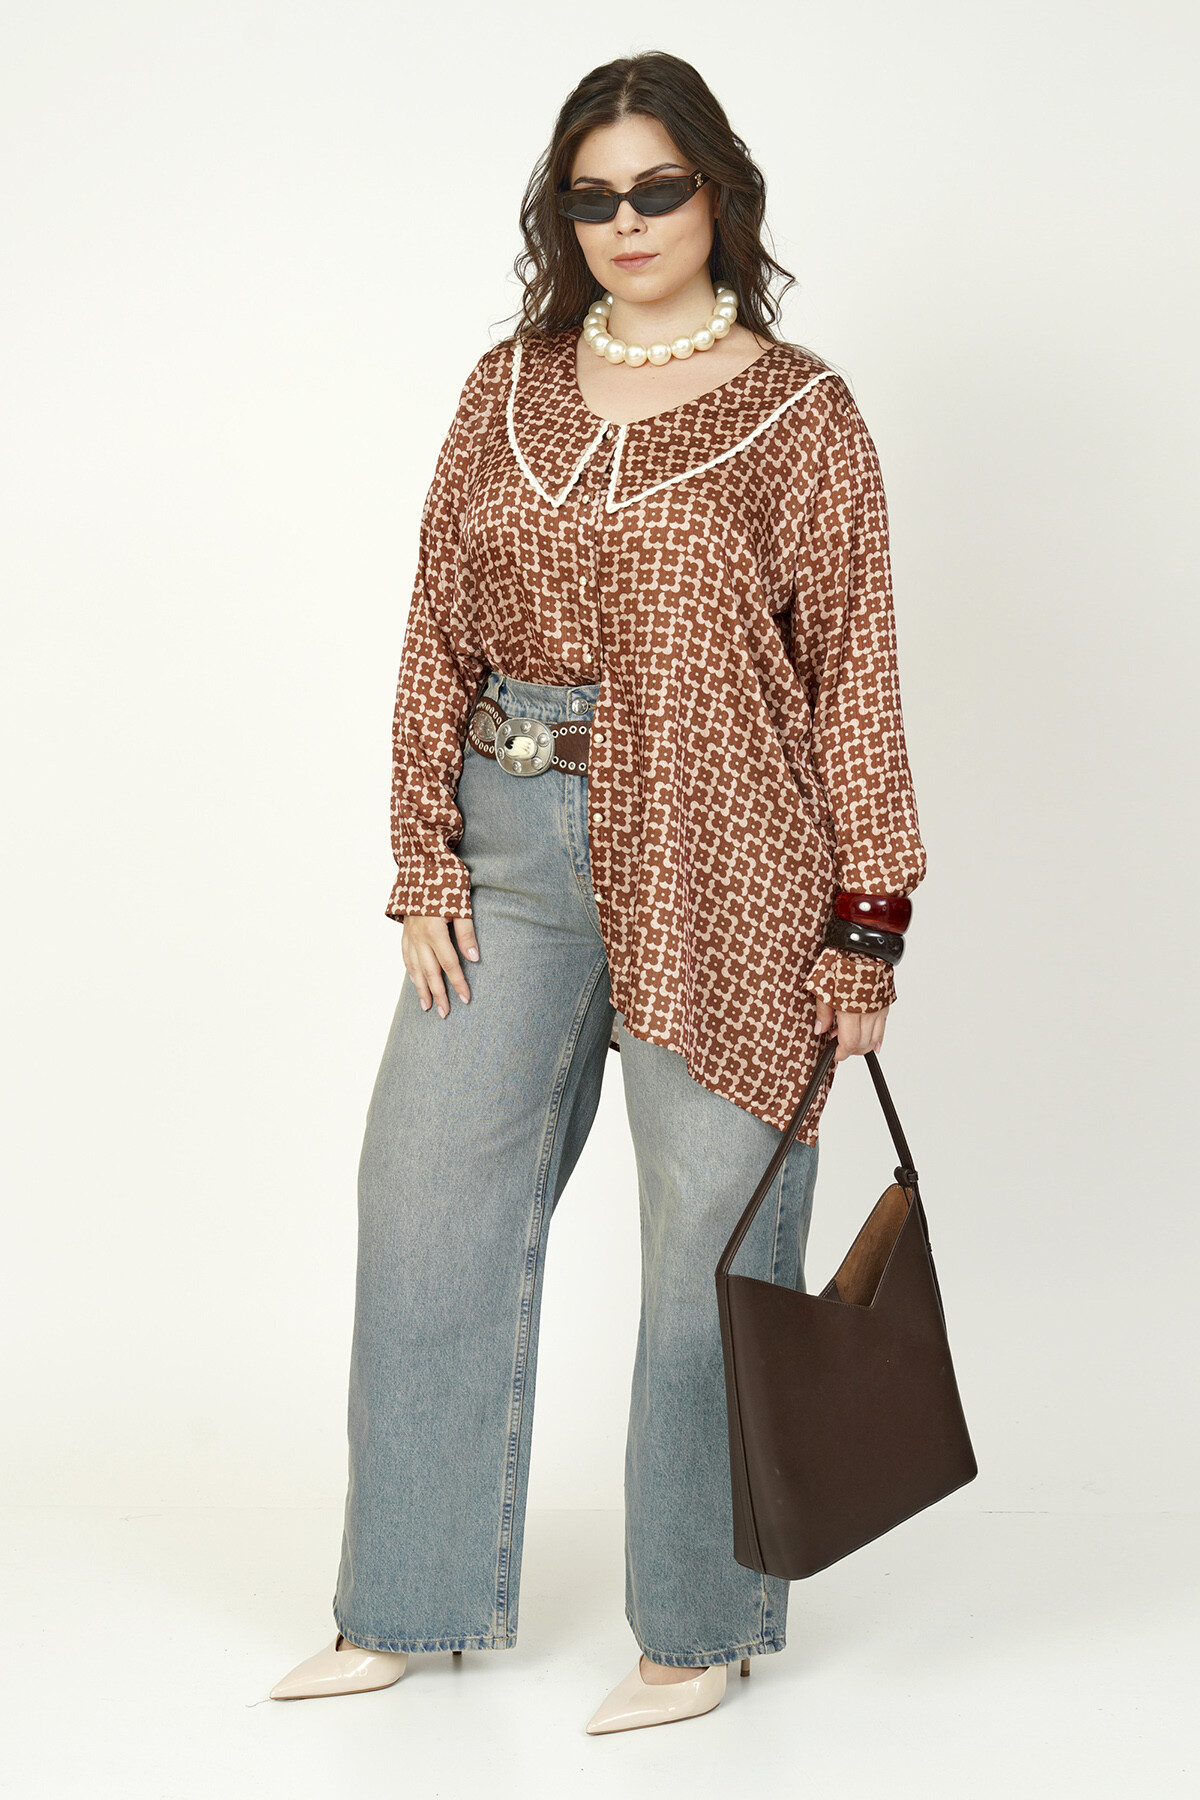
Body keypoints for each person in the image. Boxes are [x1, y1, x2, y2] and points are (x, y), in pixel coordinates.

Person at [270, 49, 926, 1734]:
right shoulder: (504, 388)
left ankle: (698, 1626)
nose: (626, 220)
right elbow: (436, 627)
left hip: (729, 860)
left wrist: (869, 921)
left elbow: (855, 677)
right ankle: (403, 1596)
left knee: (712, 1246)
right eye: (591, 195)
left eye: (657, 187)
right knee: (424, 1203)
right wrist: (423, 854)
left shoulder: (804, 415)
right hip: (512, 845)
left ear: (719, 194)